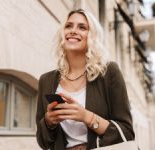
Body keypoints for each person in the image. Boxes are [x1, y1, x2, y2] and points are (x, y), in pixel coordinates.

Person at [36, 9, 135, 150]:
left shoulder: (108, 72)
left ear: (92, 36)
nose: (73, 31)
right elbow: (43, 142)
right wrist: (49, 122)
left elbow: (127, 133)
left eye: (82, 27)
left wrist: (87, 117)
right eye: (68, 26)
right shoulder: (46, 80)